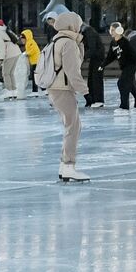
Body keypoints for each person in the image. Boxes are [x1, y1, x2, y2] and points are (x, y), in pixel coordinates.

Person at [45, 11, 91, 183]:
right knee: (73, 127)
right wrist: (86, 91)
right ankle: (68, 166)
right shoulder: (68, 43)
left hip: (57, 88)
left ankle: (65, 165)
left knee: (71, 126)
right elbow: (73, 70)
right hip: (62, 89)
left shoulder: (58, 40)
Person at [103, 22, 136, 112]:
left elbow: (133, 54)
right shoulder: (113, 43)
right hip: (124, 66)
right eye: (110, 30)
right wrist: (102, 65)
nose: (111, 32)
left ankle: (124, 106)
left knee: (122, 84)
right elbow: (110, 56)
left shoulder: (125, 42)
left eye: (113, 30)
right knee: (131, 85)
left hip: (131, 65)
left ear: (118, 30)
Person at [0, 20, 22, 100]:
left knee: (6, 73)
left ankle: (9, 91)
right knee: (10, 73)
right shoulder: (2, 30)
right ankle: (13, 91)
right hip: (15, 52)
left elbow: (1, 47)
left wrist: (0, 59)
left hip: (10, 54)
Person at [81, 20, 106, 108]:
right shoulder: (86, 32)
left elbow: (92, 48)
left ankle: (99, 100)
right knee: (91, 78)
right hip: (95, 58)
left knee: (96, 78)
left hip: (98, 58)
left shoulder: (89, 31)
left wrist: (82, 57)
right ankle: (92, 100)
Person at [20, 27, 41, 94]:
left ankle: (35, 91)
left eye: (22, 39)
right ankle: (42, 90)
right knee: (37, 76)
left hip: (36, 62)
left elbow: (32, 50)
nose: (22, 40)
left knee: (35, 77)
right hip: (34, 62)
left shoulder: (30, 42)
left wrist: (26, 53)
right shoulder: (28, 42)